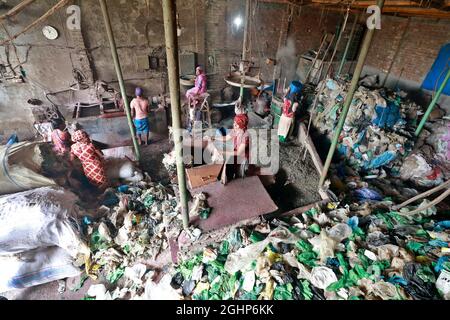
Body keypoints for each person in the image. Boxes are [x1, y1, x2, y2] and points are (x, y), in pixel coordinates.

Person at [210, 114, 250, 183]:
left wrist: (223, 152)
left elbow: (239, 153)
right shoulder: (235, 131)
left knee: (240, 176)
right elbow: (226, 138)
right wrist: (214, 137)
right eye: (234, 122)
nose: (234, 125)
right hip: (235, 154)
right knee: (231, 168)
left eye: (237, 124)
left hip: (242, 158)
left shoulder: (245, 136)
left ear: (242, 125)